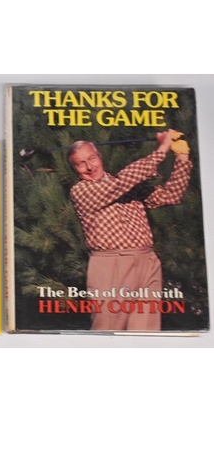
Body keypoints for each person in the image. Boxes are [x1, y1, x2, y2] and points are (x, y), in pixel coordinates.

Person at [68, 129, 192, 331]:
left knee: (146, 332)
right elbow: (123, 182)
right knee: (107, 330)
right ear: (75, 169)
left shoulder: (126, 186)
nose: (89, 167)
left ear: (100, 157)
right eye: (81, 164)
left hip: (147, 261)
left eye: (91, 158)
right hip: (110, 265)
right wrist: (162, 149)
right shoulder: (81, 190)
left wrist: (182, 156)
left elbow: (171, 195)